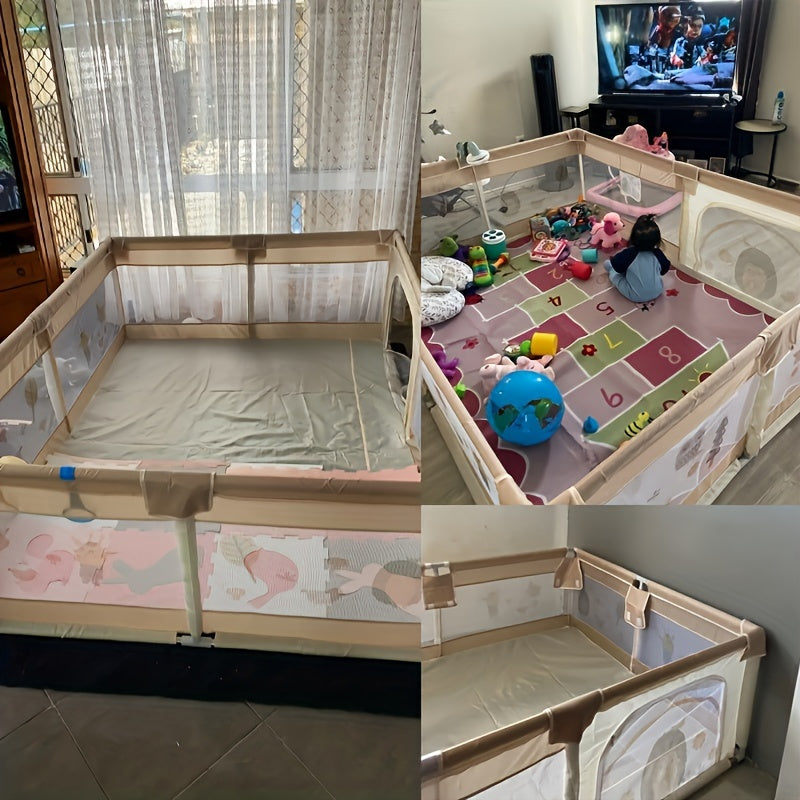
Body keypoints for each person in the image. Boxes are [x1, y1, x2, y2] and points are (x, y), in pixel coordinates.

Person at [603, 214, 671, 303]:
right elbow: (664, 270)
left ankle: (610, 269)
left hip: (635, 295)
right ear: (657, 240)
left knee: (615, 275)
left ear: (633, 238)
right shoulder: (658, 253)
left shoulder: (630, 253)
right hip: (657, 291)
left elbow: (617, 267)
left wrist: (613, 267)